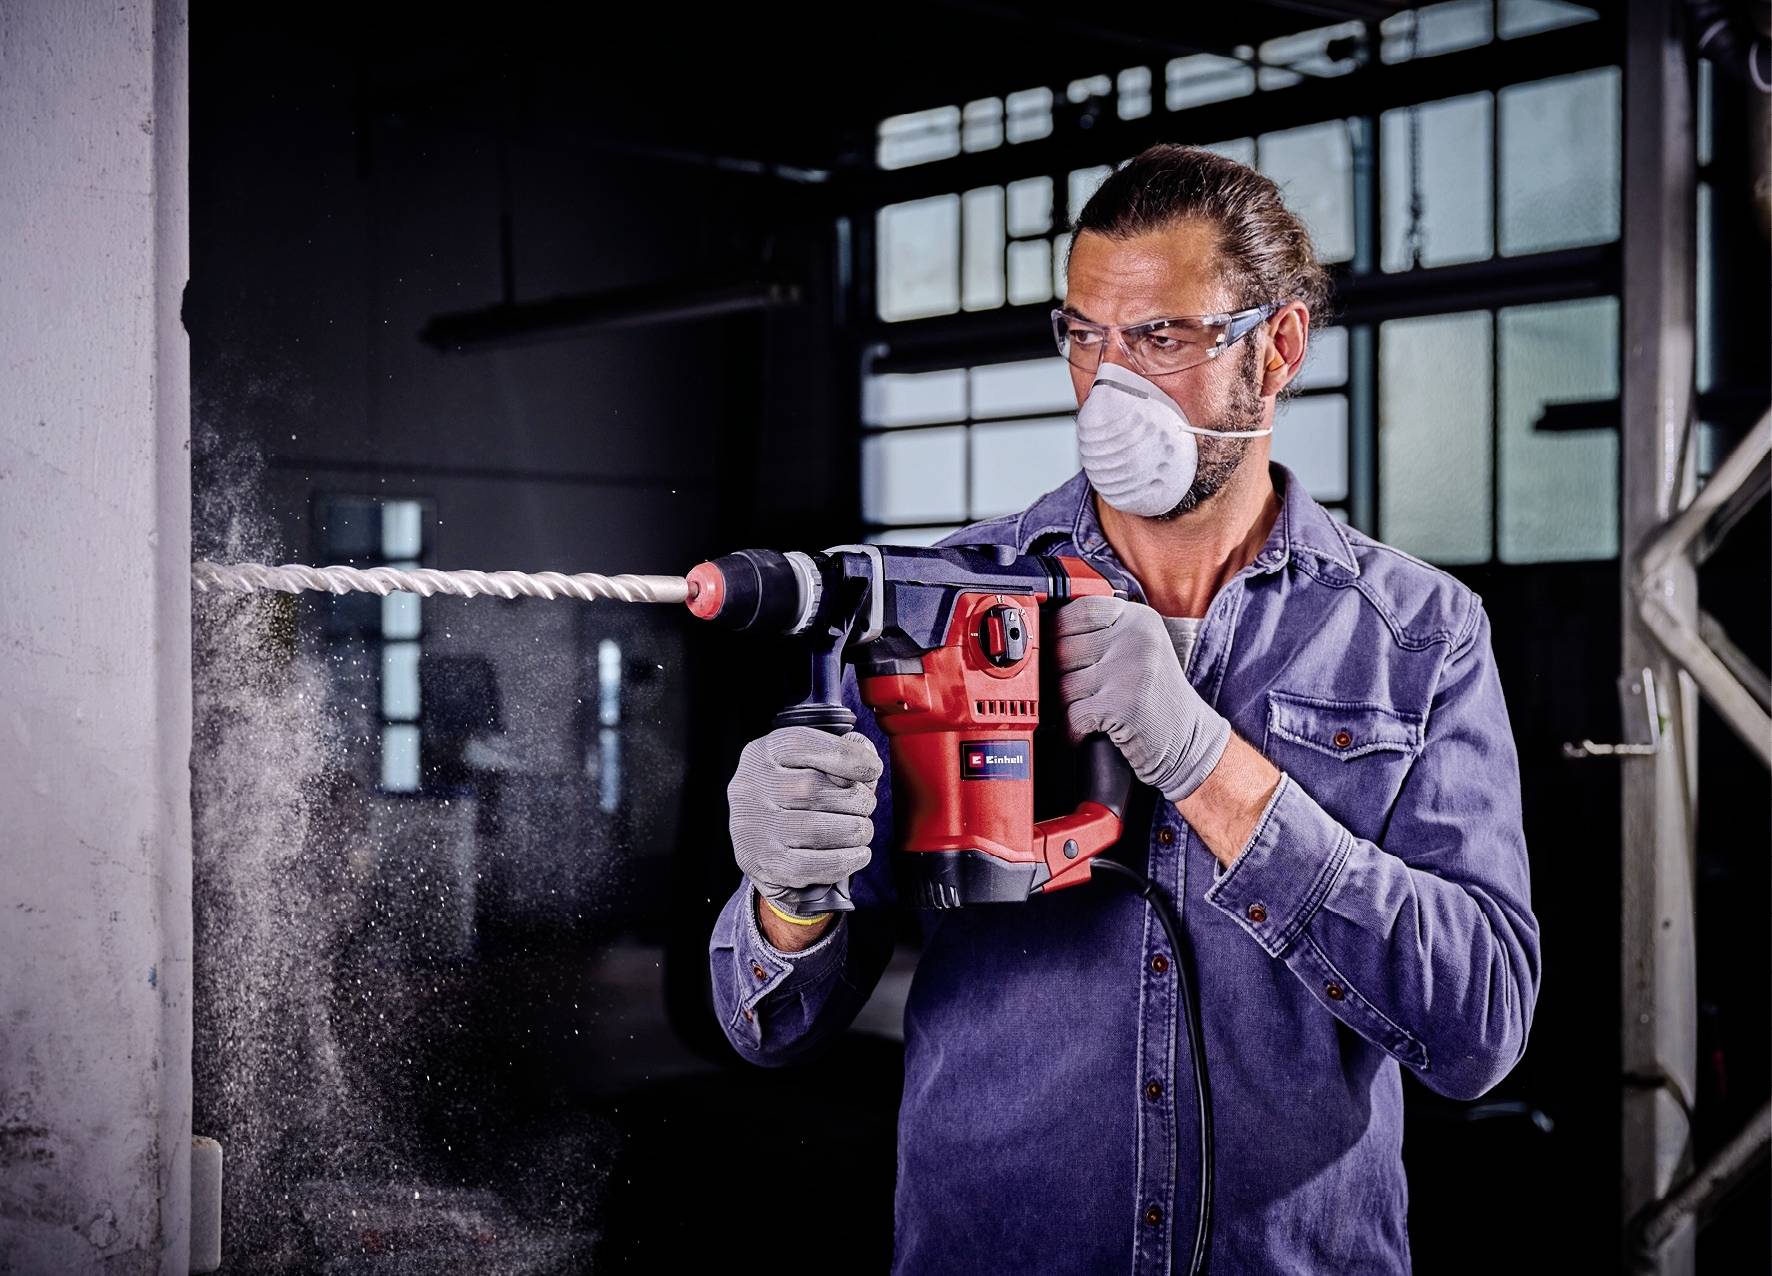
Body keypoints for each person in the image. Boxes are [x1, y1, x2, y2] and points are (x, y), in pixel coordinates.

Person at [708, 144, 1540, 1275]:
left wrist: (1205, 762)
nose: (1112, 387)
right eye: (1085, 337)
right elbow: (773, 1024)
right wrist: (785, 898)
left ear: (1279, 346)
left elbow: (1478, 1025)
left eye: (1162, 337)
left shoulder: (1415, 634)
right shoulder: (942, 606)